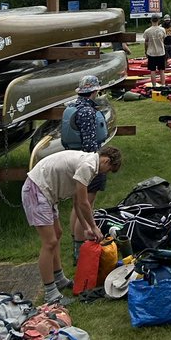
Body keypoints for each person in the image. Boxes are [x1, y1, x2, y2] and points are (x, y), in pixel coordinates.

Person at [22, 145, 123, 303]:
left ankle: (59, 279)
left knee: (57, 234)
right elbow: (84, 203)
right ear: (107, 160)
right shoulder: (88, 166)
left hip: (46, 193)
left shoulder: (89, 162)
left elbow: (76, 202)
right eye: (109, 169)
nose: (106, 173)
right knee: (49, 242)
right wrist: (95, 228)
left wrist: (87, 227)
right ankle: (50, 293)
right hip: (37, 190)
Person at [68, 72, 111, 263]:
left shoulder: (73, 106)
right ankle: (80, 248)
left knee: (76, 204)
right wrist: (95, 164)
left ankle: (75, 241)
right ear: (94, 91)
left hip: (74, 160)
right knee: (86, 205)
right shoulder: (87, 112)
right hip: (87, 162)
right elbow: (89, 142)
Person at [142, 13, 167, 88]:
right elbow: (163, 39)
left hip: (151, 52)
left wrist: (146, 50)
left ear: (151, 20)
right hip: (161, 52)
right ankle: (163, 84)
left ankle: (154, 85)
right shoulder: (162, 30)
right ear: (158, 20)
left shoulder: (147, 31)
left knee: (152, 70)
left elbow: (146, 42)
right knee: (161, 70)